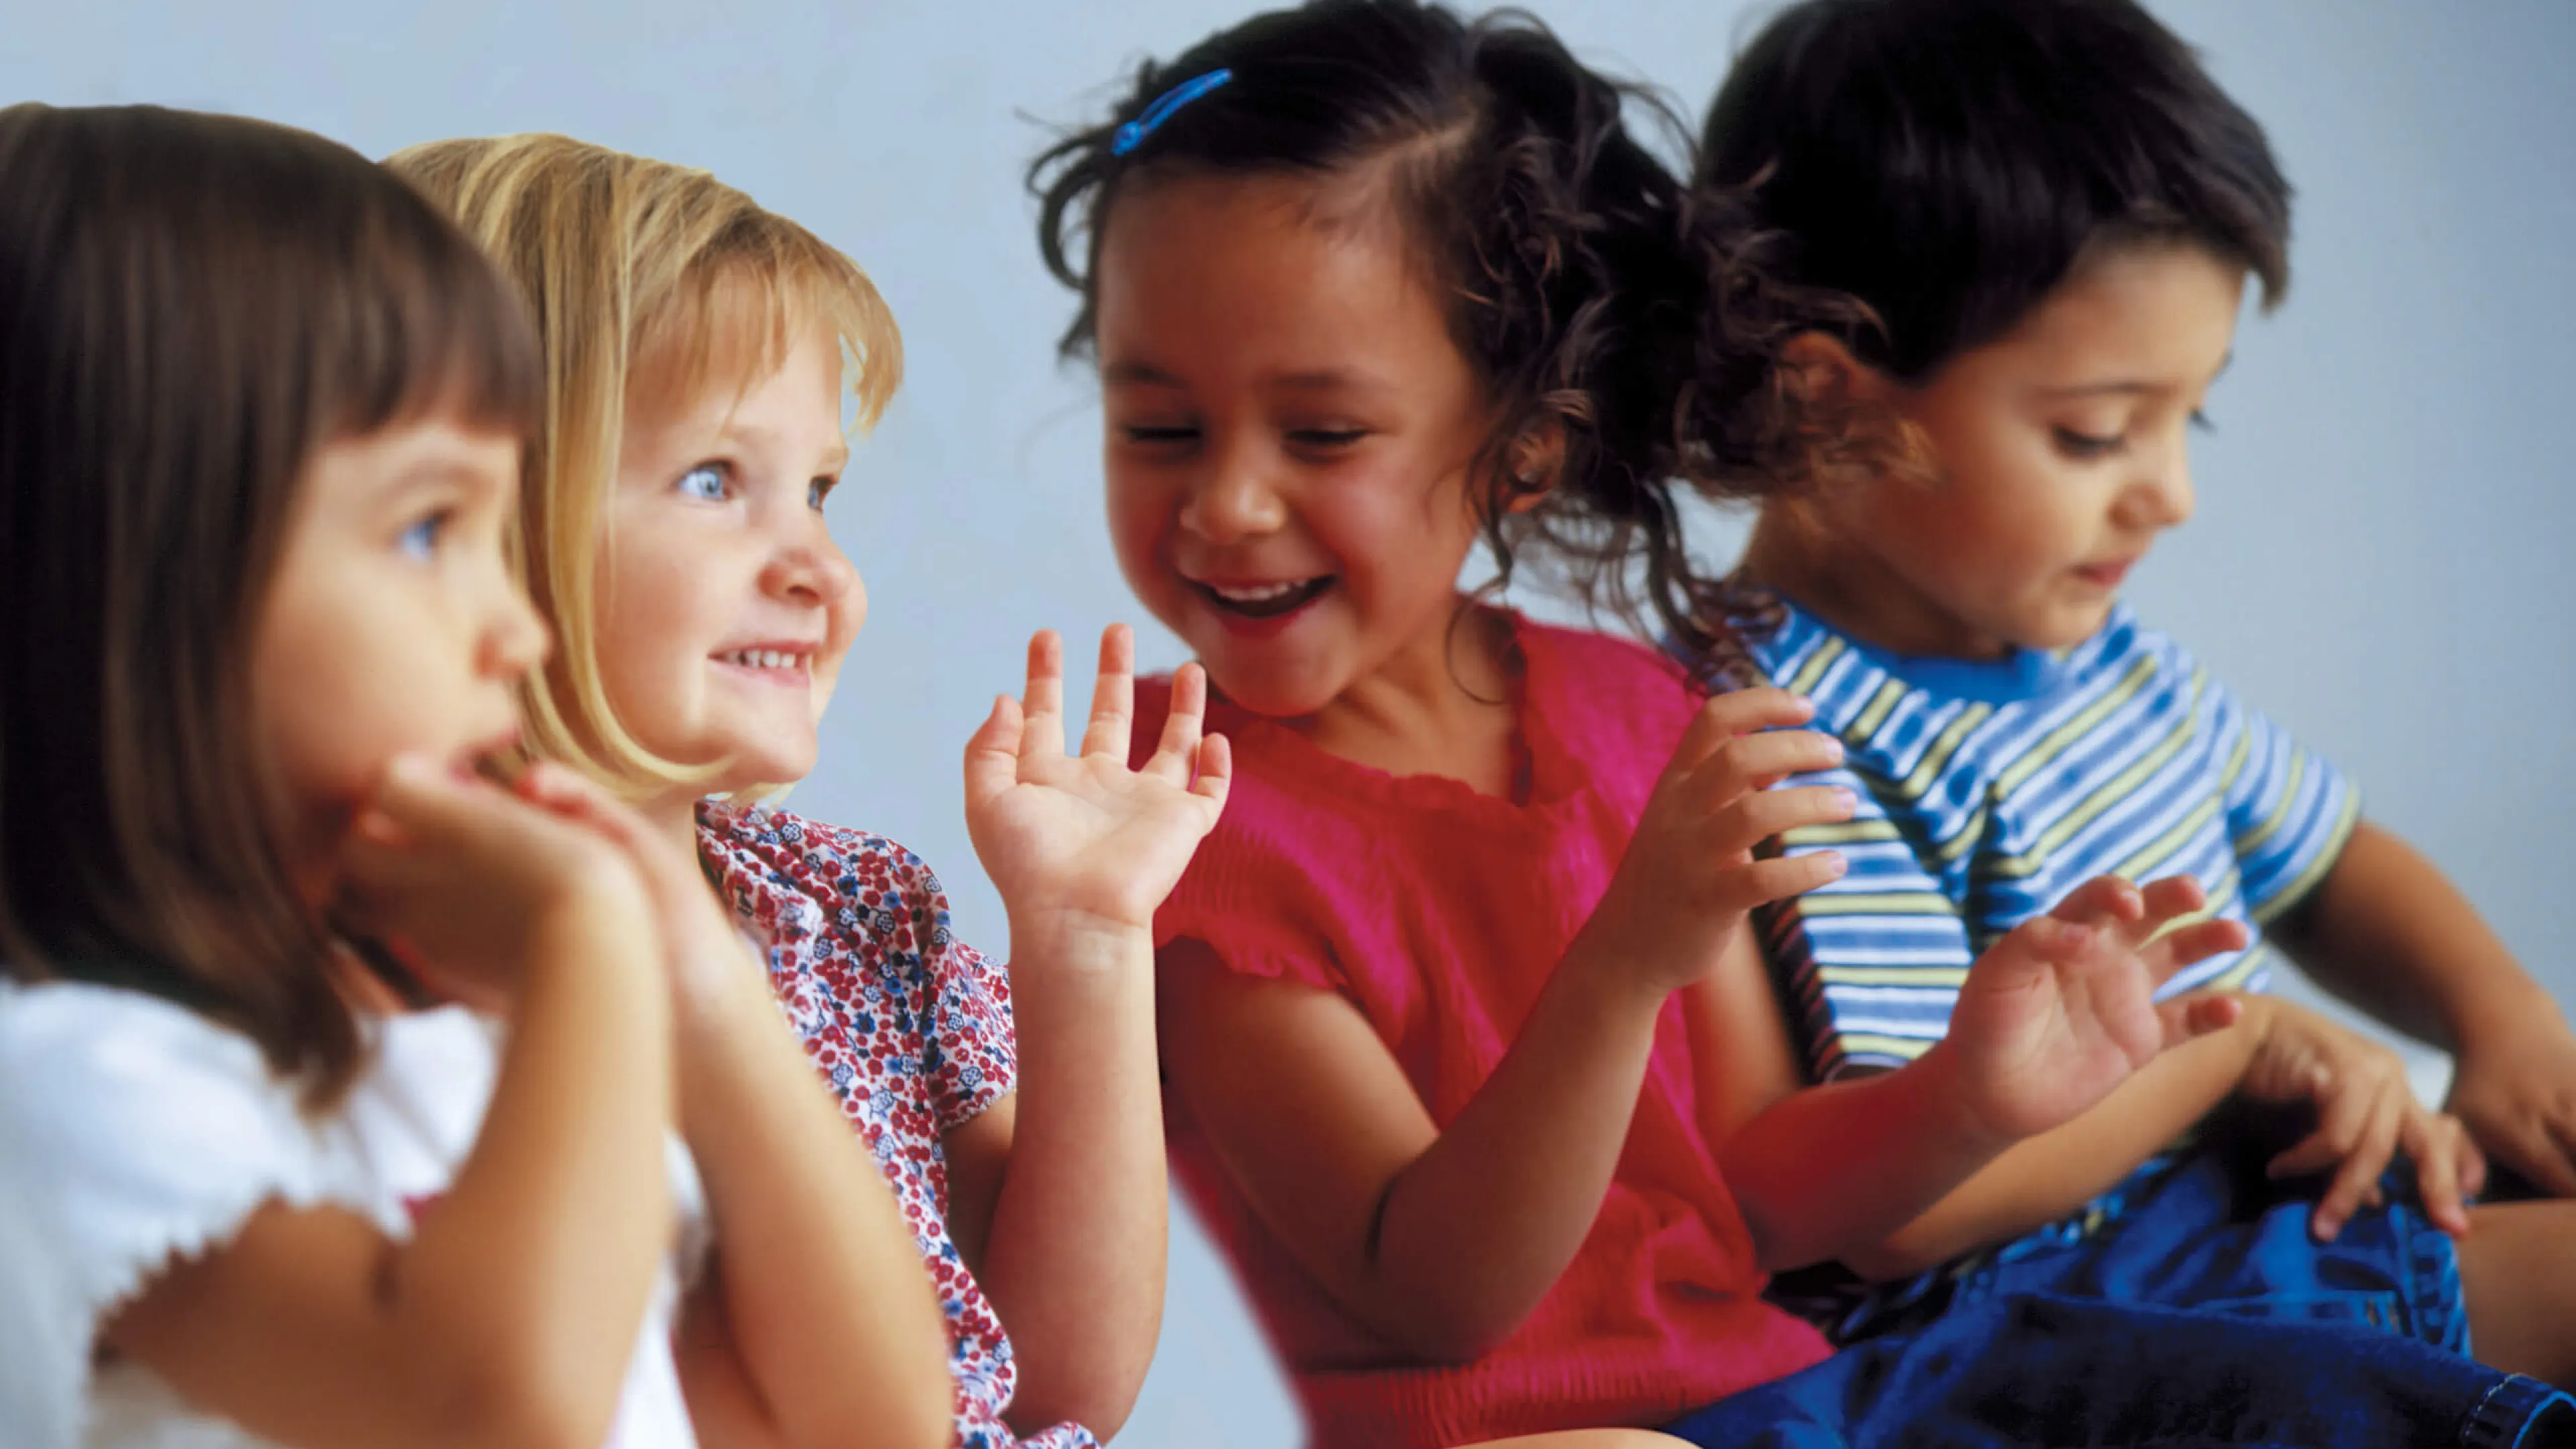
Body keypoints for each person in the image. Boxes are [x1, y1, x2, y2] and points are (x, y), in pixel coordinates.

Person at [1031, 3, 2575, 1445]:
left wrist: (1962, 1100)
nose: (1228, 501)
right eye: (1156, 425)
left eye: (1323, 433)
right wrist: (1625, 958)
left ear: (1521, 451)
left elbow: (1759, 1191)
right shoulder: (1174, 824)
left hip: (1816, 1384)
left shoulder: (1638, 712)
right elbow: (1433, 1290)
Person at [1656, 0, 2576, 1394]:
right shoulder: (1774, 735)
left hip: (2231, 1212)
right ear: (1831, 407)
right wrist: (2240, 1044)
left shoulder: (2106, 662)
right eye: (2096, 432)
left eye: (2185, 417)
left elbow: (2326, 865)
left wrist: (2503, 1026)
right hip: (2039, 1310)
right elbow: (1905, 1202)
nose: (2171, 494)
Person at [0, 102, 951, 1449]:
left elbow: (865, 1424)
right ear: (135, 591)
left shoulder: (454, 1056)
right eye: (430, 529)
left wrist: (706, 988)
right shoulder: (73, 1079)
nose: (512, 621)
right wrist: (588, 951)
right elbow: (492, 1414)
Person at [392, 131, 1232, 1447]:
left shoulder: (859, 909)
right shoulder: (401, 978)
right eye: (716, 481)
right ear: (464, 517)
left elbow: (1052, 1391)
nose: (817, 569)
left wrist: (1085, 938)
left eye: (822, 492)